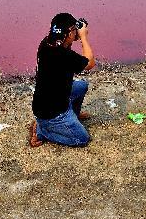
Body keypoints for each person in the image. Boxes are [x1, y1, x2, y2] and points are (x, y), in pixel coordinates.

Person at [28, 12, 96, 147]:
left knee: (81, 86)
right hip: (52, 113)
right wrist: (83, 37)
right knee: (82, 138)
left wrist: (73, 32)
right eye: (74, 29)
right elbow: (90, 63)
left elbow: (65, 47)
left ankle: (73, 116)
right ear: (69, 34)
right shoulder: (64, 56)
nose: (77, 31)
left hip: (47, 100)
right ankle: (42, 130)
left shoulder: (46, 43)